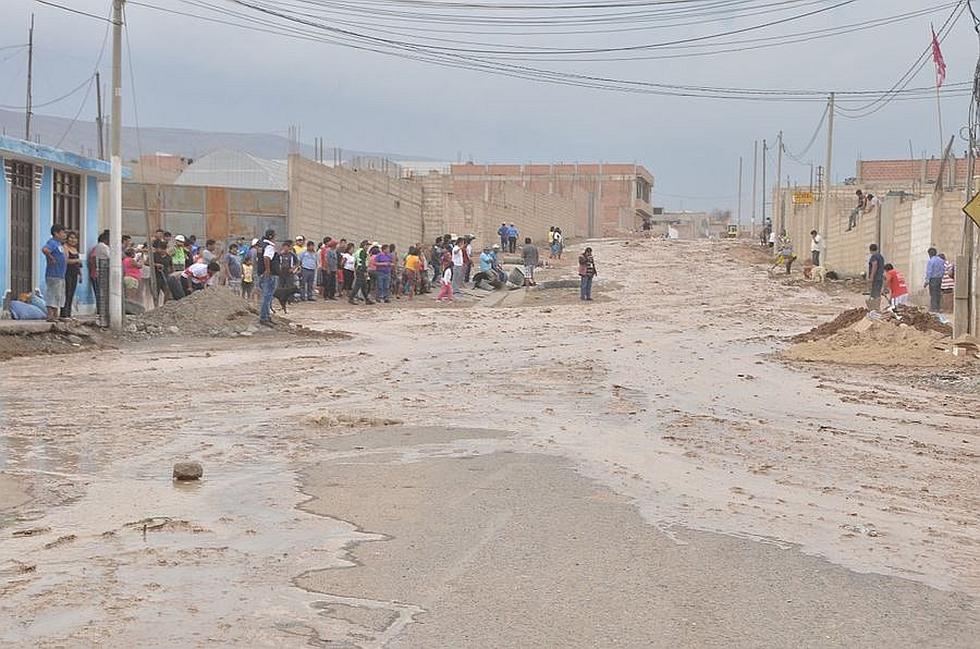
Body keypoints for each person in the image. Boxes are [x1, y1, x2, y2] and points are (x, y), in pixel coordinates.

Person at [42, 224, 68, 322]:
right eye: (63, 232)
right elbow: (45, 250)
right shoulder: (52, 243)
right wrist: (51, 258)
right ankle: (50, 315)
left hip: (60, 274)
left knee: (58, 295)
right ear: (56, 233)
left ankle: (55, 316)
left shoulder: (59, 244)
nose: (64, 235)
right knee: (52, 294)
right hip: (53, 274)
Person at [258, 229, 279, 326]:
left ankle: (266, 316)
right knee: (267, 296)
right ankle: (264, 318)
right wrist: (268, 270)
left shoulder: (261, 245)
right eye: (275, 236)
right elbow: (267, 257)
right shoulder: (269, 247)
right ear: (271, 236)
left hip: (263, 273)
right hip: (269, 275)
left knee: (267, 296)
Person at [88, 229, 111, 317]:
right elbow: (111, 258)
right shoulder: (102, 247)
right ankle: (101, 312)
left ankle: (101, 311)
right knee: (101, 293)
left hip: (98, 273)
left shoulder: (99, 247)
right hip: (99, 274)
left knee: (100, 293)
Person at [61, 231, 82, 318]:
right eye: (71, 237)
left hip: (75, 274)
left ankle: (68, 313)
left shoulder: (75, 249)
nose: (73, 240)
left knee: (71, 293)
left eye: (75, 238)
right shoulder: (65, 247)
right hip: (67, 273)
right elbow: (65, 261)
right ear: (67, 238)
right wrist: (76, 261)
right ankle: (63, 313)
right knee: (67, 293)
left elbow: (79, 265)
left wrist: (80, 274)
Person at [350, 240, 374, 305]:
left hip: (359, 268)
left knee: (364, 285)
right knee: (358, 284)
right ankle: (351, 298)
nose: (368, 247)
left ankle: (366, 299)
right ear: (364, 245)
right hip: (361, 269)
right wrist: (365, 271)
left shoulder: (358, 251)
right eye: (367, 245)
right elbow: (362, 261)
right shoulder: (362, 252)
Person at [924, 247, 945, 312]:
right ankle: (938, 308)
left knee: (933, 294)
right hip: (939, 279)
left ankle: (934, 308)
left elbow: (929, 272)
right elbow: (943, 270)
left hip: (933, 279)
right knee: (938, 293)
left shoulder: (931, 261)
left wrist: (926, 282)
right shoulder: (941, 260)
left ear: (929, 254)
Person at [867, 243, 885, 310]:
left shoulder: (874, 256)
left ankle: (875, 307)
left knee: (875, 293)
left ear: (870, 250)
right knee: (877, 293)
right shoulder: (881, 256)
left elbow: (874, 265)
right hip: (880, 277)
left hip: (876, 278)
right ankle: (877, 307)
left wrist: (871, 277)